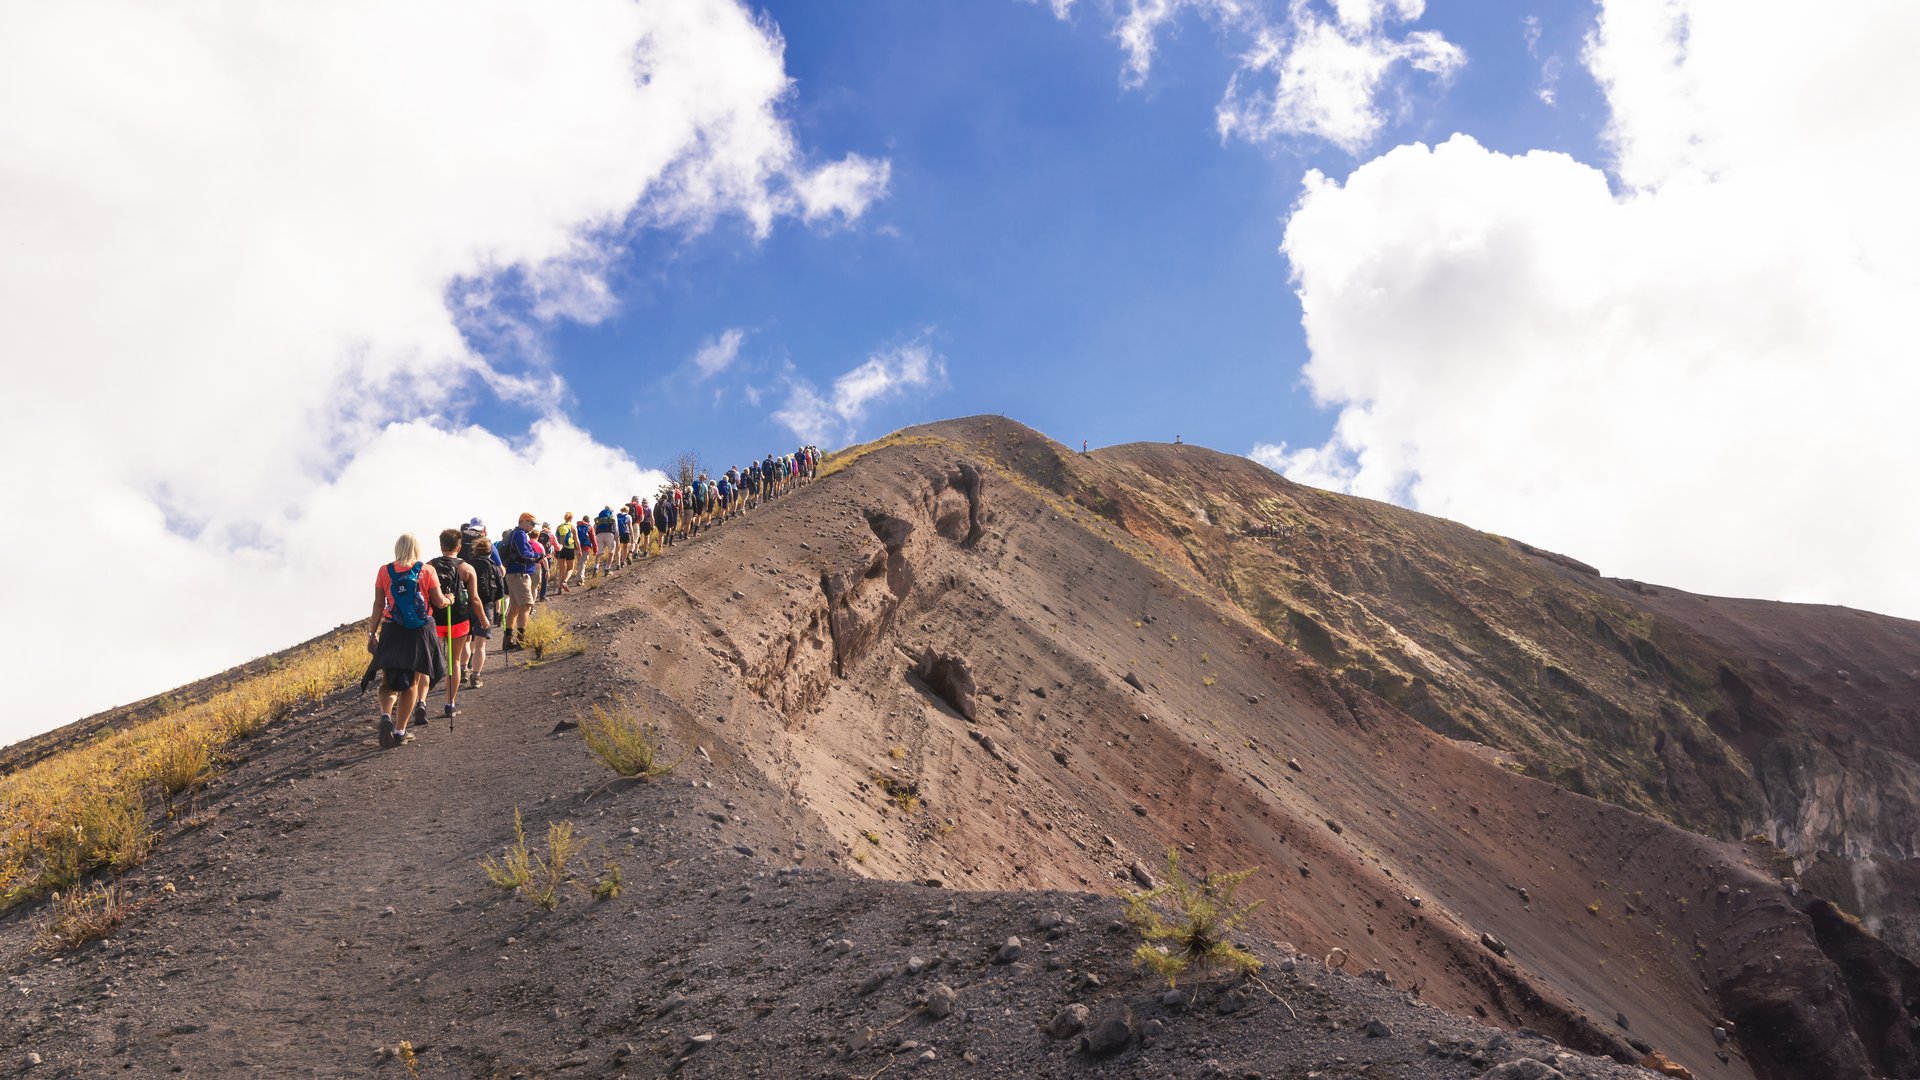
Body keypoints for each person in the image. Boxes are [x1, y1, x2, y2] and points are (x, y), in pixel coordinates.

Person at [362, 533, 450, 748]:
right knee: (412, 682)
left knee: (387, 681)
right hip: (419, 632)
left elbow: (378, 604)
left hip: (392, 629)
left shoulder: (385, 571)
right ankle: (400, 731)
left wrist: (372, 633)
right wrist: (450, 600)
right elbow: (438, 602)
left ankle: (385, 715)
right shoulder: (427, 570)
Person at [429, 528, 488, 721]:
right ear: (459, 546)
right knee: (453, 661)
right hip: (459, 621)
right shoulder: (467, 568)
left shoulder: (429, 566)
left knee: (428, 662)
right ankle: (449, 704)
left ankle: (421, 702)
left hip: (434, 620)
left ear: (441, 546)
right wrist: (483, 619)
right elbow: (475, 600)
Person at [461, 523, 501, 689]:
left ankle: (463, 670)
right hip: (485, 606)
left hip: (465, 606)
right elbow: (500, 590)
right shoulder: (492, 566)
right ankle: (476, 676)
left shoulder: (468, 565)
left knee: (465, 640)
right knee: (480, 644)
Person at [501, 513, 540, 651]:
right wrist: (537, 555)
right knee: (526, 605)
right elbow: (524, 553)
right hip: (520, 574)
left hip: (512, 573)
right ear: (524, 521)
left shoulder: (513, 534)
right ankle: (521, 640)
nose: (533, 527)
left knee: (515, 606)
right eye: (532, 524)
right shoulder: (520, 534)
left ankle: (508, 639)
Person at [554, 511, 578, 590]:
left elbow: (555, 539)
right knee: (570, 568)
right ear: (571, 518)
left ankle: (559, 587)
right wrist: (580, 550)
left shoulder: (559, 526)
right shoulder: (572, 527)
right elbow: (576, 540)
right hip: (569, 548)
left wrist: (555, 550)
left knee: (561, 569)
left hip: (560, 549)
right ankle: (564, 582)